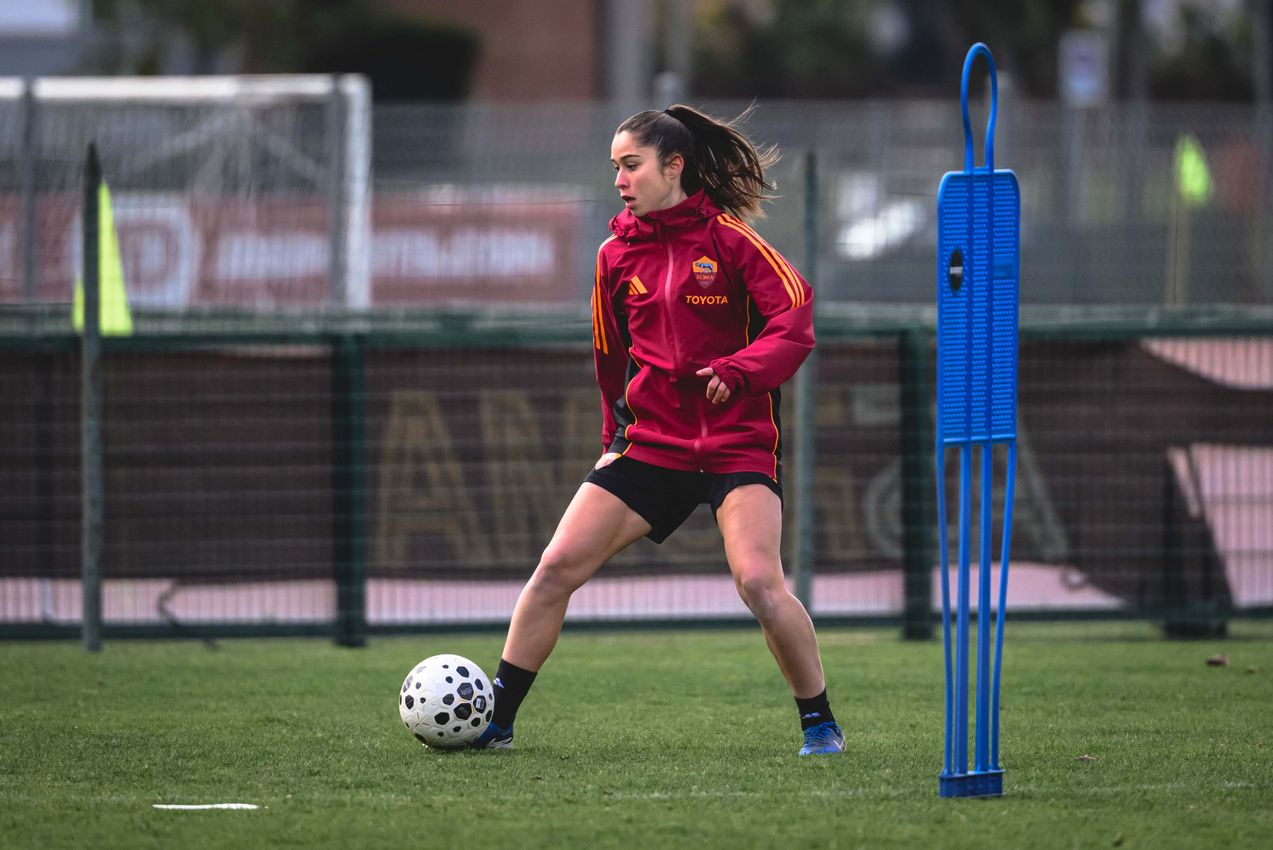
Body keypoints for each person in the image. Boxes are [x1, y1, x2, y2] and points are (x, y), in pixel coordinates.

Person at [473, 104, 842, 756]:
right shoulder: (614, 254)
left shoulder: (730, 240)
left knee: (758, 582)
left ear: (672, 166)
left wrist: (741, 368)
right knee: (554, 568)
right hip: (651, 445)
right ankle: (493, 723)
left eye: (630, 164)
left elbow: (796, 320)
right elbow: (608, 354)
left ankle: (818, 722)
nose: (618, 178)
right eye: (614, 165)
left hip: (736, 443)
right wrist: (611, 432)